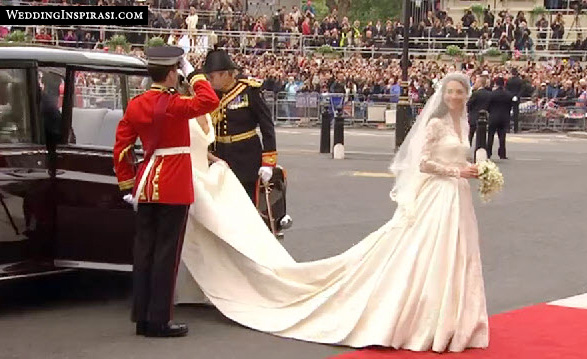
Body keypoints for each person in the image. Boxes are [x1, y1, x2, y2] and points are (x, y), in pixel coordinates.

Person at [175, 72, 489, 352]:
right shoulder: (435, 123)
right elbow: (422, 163)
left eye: (459, 92)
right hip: (438, 193)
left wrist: (474, 170)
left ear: (467, 95)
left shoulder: (464, 123)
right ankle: (427, 315)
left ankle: (453, 316)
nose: (453, 97)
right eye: (449, 92)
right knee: (428, 251)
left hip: (456, 196)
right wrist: (455, 172)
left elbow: (455, 158)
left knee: (457, 252)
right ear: (442, 94)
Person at [112, 45, 219, 338]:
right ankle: (159, 319)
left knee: (144, 252)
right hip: (173, 185)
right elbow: (209, 100)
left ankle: (142, 317)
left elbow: (121, 149)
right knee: (165, 255)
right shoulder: (175, 105)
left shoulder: (136, 104)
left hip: (145, 185)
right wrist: (192, 71)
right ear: (172, 73)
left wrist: (126, 183)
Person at [202, 49, 277, 204]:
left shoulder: (249, 91)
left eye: (212, 77)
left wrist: (268, 163)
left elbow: (267, 126)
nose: (210, 81)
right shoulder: (214, 94)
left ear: (226, 74)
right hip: (219, 155)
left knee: (245, 204)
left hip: (245, 157)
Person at [487, 77, 513, 159]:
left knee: (490, 135)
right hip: (504, 117)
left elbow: (488, 105)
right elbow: (510, 105)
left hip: (493, 116)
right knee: (502, 136)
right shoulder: (508, 95)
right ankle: (502, 153)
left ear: (496, 84)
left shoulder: (492, 94)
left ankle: (489, 152)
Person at [467, 76, 492, 146]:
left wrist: (469, 111)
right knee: (481, 136)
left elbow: (469, 104)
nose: (474, 83)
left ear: (479, 83)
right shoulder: (489, 94)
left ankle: (468, 149)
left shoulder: (475, 94)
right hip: (484, 117)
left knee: (470, 135)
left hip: (474, 116)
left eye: (476, 82)